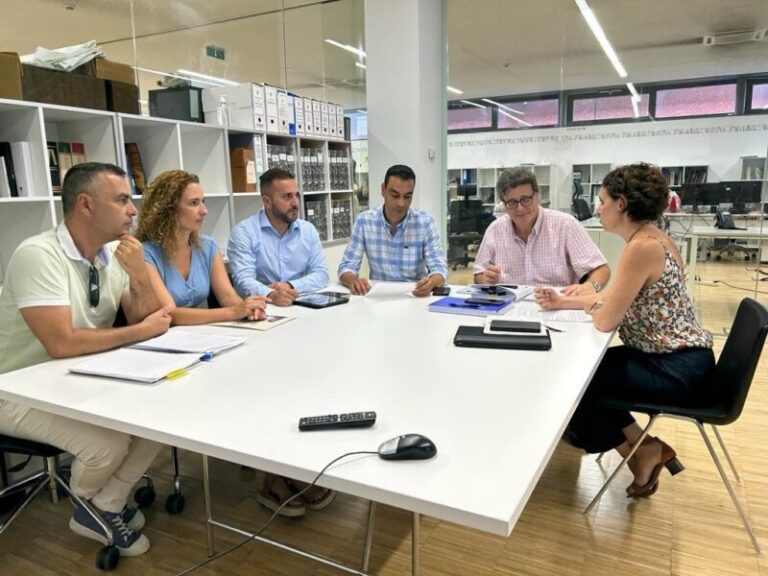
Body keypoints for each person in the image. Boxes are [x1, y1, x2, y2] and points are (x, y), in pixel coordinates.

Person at [0, 162, 173, 556]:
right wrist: (141, 332)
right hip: (14, 389)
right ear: (86, 205)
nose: (134, 210)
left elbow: (142, 315)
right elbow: (61, 344)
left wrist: (141, 276)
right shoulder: (38, 254)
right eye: (122, 199)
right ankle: (92, 502)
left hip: (75, 380)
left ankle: (104, 503)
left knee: (163, 418)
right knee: (107, 446)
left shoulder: (113, 254)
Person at [534, 163, 715, 497]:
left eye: (602, 200)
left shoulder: (641, 247)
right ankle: (643, 448)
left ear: (621, 204)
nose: (598, 208)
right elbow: (617, 301)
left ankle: (639, 450)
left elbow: (606, 318)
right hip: (680, 359)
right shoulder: (653, 238)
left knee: (575, 380)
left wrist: (588, 300)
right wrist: (568, 301)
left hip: (676, 367)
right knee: (585, 372)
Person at [135, 169, 267, 324]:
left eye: (202, 202)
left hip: (205, 334)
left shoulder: (208, 246)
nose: (204, 211)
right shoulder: (145, 254)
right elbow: (169, 313)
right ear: (168, 209)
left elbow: (227, 296)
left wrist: (248, 308)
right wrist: (233, 311)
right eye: (193, 203)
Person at [473, 167, 609, 295]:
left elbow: (601, 269)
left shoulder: (565, 225)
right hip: (509, 307)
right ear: (504, 204)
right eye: (512, 203)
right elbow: (478, 274)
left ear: (537, 197)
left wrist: (590, 287)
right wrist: (484, 279)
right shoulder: (495, 229)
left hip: (557, 306)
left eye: (525, 200)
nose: (520, 208)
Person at [337, 164, 448, 296]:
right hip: (378, 298)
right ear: (383, 190)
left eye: (407, 197)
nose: (401, 203)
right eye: (395, 195)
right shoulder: (364, 221)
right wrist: (354, 281)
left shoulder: (425, 222)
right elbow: (346, 266)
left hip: (415, 297)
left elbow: (440, 269)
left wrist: (432, 282)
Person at [228, 167, 329, 307]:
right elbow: (243, 281)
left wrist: (289, 286)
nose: (295, 203)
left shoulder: (308, 230)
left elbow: (321, 274)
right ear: (267, 201)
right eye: (287, 196)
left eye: (296, 195)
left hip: (299, 305)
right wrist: (272, 294)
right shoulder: (244, 232)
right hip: (262, 309)